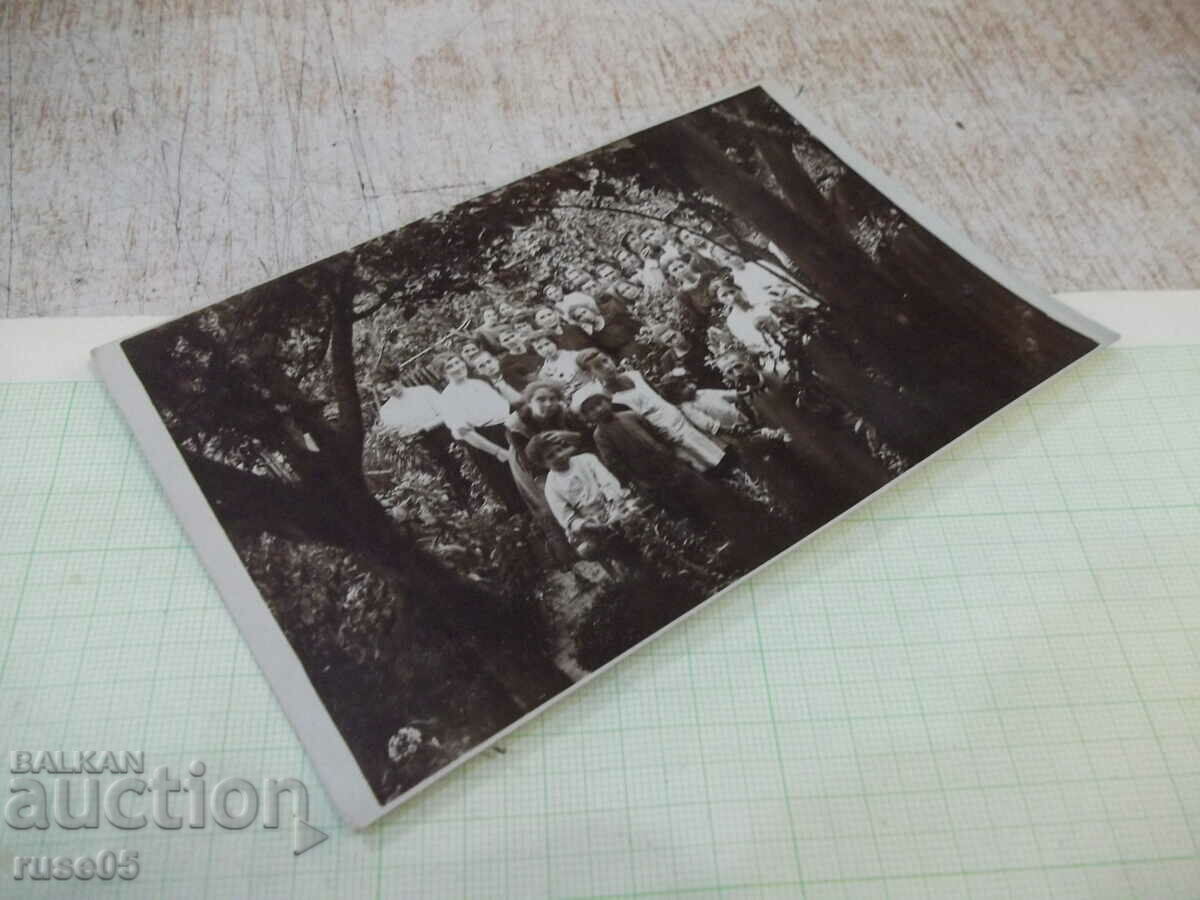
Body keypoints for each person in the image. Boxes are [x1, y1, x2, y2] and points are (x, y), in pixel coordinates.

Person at [576, 391, 781, 568]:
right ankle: (718, 548)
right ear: (587, 417)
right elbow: (614, 463)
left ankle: (748, 530)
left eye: (600, 403)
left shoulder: (629, 415)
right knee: (685, 511)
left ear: (607, 400)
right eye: (592, 410)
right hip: (652, 479)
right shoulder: (600, 435)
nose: (599, 409)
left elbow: (657, 433)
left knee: (711, 495)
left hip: (673, 465)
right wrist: (638, 482)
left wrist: (673, 453)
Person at [575, 349, 726, 473]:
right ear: (590, 375)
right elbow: (640, 423)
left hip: (681, 418)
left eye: (605, 361)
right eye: (598, 367)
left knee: (720, 451)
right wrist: (666, 440)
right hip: (670, 433)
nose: (606, 367)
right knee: (707, 464)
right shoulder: (611, 399)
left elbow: (659, 397)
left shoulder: (634, 375)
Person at [525, 430, 641, 571]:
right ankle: (626, 564)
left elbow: (607, 482)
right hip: (592, 522)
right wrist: (587, 524)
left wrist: (615, 504)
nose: (559, 456)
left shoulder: (586, 459)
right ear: (542, 463)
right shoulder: (551, 486)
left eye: (559, 449)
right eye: (551, 456)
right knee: (597, 547)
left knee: (634, 518)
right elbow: (566, 518)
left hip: (614, 504)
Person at [435, 353, 524, 513]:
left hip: (508, 429)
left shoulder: (479, 382)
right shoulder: (448, 398)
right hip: (488, 441)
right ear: (443, 374)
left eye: (458, 362)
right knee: (513, 487)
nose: (457, 367)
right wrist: (497, 452)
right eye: (450, 366)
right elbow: (466, 433)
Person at [503, 382, 579, 567]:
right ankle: (568, 554)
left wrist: (566, 438)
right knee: (549, 505)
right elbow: (531, 462)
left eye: (552, 399)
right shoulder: (516, 424)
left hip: (565, 451)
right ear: (529, 402)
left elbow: (581, 437)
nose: (547, 404)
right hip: (531, 462)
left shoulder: (562, 412)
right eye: (541, 399)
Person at [376, 374, 472, 507]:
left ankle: (480, 495)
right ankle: (462, 503)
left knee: (463, 464)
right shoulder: (386, 410)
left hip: (443, 433)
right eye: (385, 389)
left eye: (391, 385)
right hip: (419, 445)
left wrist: (424, 426)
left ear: (398, 379)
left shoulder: (423, 391)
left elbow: (446, 412)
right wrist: (406, 434)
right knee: (442, 474)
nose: (390, 390)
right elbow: (394, 433)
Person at [562, 293, 641, 359]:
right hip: (627, 357)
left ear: (590, 309)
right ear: (579, 321)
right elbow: (611, 354)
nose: (584, 316)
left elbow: (637, 326)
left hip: (641, 343)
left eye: (584, 312)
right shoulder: (594, 336)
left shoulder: (613, 317)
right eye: (579, 317)